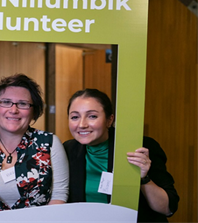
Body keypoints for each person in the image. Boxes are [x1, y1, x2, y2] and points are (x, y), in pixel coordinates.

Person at [63, 88, 179, 223]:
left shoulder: (139, 147)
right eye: (75, 117)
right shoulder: (68, 150)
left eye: (92, 116)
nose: (82, 124)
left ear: (109, 120)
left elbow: (167, 208)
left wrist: (143, 178)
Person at [0, 74, 69, 213]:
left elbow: (59, 196)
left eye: (22, 104)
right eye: (5, 102)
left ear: (34, 111)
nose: (13, 110)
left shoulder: (49, 143)